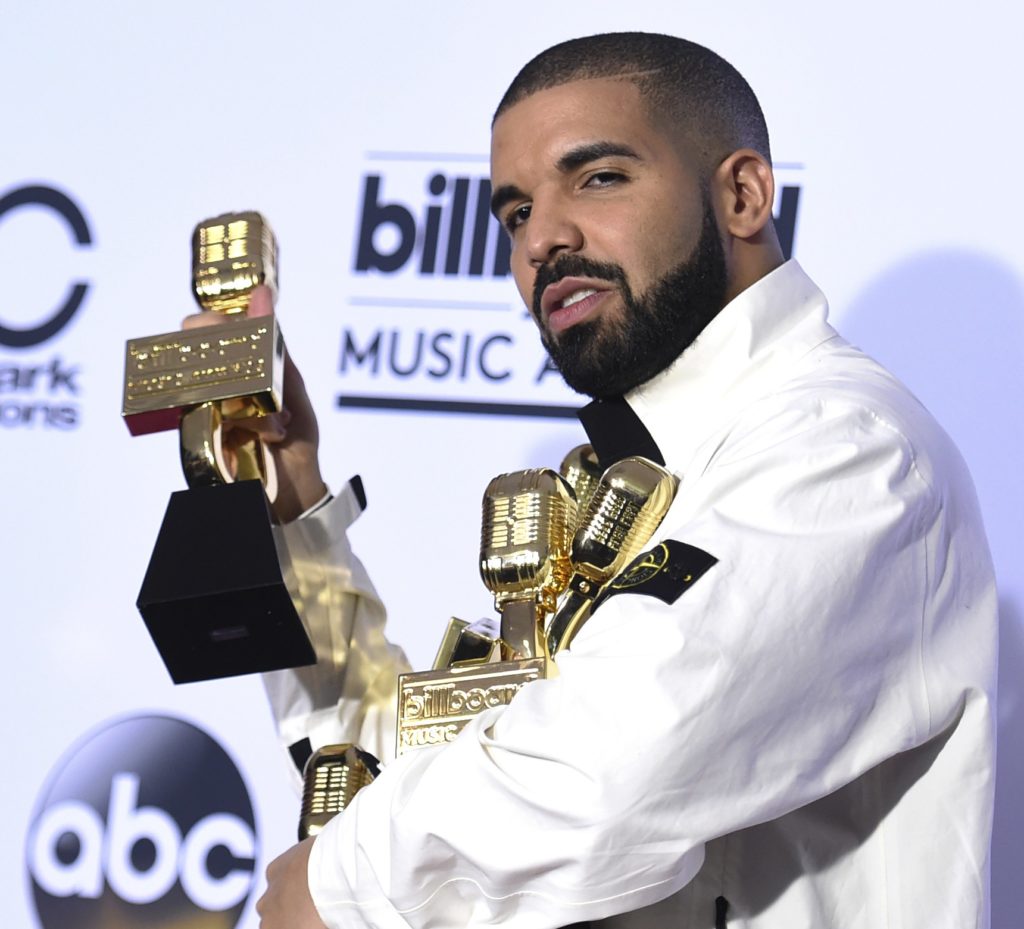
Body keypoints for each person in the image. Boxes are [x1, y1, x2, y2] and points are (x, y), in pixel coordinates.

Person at [219, 32, 998, 929]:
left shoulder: (847, 451)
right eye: (515, 214)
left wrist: (345, 886)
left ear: (741, 194)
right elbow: (422, 772)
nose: (544, 238)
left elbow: (603, 774)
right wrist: (295, 522)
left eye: (597, 178)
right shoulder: (621, 479)